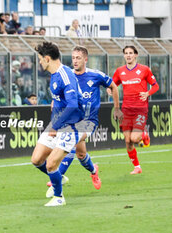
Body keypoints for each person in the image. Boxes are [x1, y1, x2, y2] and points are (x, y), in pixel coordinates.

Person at [45, 45, 123, 196]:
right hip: (73, 119)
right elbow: (60, 95)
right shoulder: (67, 75)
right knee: (81, 155)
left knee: (71, 139)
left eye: (78, 58)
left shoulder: (95, 75)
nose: (75, 61)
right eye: (73, 57)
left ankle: (58, 175)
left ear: (85, 59)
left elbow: (113, 86)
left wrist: (117, 108)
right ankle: (94, 171)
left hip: (89, 120)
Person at [31, 42, 84, 207]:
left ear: (47, 59)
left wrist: (56, 125)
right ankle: (59, 178)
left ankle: (59, 197)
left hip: (70, 126)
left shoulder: (64, 75)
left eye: (40, 59)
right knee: (36, 159)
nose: (39, 62)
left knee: (51, 163)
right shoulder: (54, 75)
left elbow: (73, 104)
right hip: (56, 123)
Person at [111, 45, 159, 175]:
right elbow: (112, 85)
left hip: (140, 108)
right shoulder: (120, 71)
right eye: (126, 53)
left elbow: (155, 85)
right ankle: (137, 167)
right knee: (128, 141)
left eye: (131, 53)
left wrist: (148, 93)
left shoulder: (144, 70)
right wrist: (109, 90)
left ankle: (144, 135)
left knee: (135, 138)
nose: (128, 55)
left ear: (136, 55)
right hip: (126, 109)